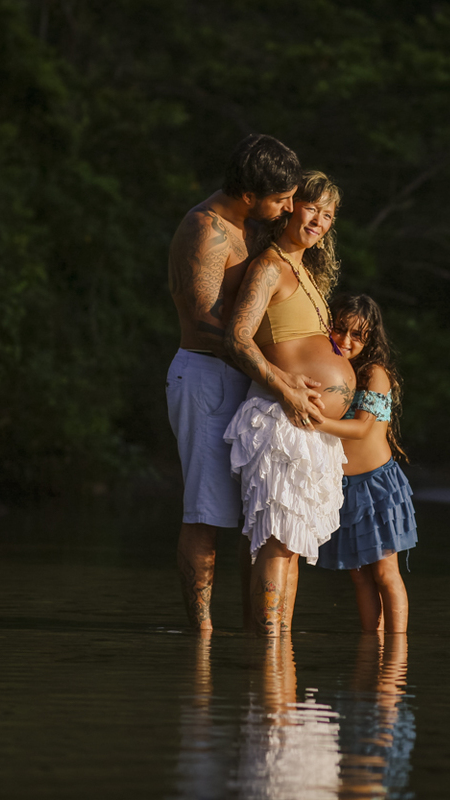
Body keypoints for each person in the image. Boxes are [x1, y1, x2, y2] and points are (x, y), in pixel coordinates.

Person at [166, 134, 326, 632]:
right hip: (208, 378)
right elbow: (206, 323)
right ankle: (203, 636)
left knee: (258, 517)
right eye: (281, 200)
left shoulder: (253, 227)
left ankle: (250, 631)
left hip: (250, 382)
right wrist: (278, 375)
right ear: (249, 194)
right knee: (206, 512)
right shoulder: (207, 230)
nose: (287, 209)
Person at [224, 170, 354, 636]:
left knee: (289, 544)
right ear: (290, 207)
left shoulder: (308, 275)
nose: (319, 220)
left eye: (328, 215)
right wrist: (285, 388)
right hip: (282, 419)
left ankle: (275, 654)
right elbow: (237, 338)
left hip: (311, 428)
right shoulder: (270, 267)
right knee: (277, 542)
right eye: (312, 208)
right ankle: (267, 654)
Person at [313, 294, 417, 633]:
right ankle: (372, 648)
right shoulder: (334, 371)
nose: (345, 340)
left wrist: (314, 420)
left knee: (385, 574)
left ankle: (396, 657)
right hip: (342, 489)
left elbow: (361, 428)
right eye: (340, 329)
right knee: (358, 578)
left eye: (357, 335)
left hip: (376, 486)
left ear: (371, 338)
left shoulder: (375, 374)